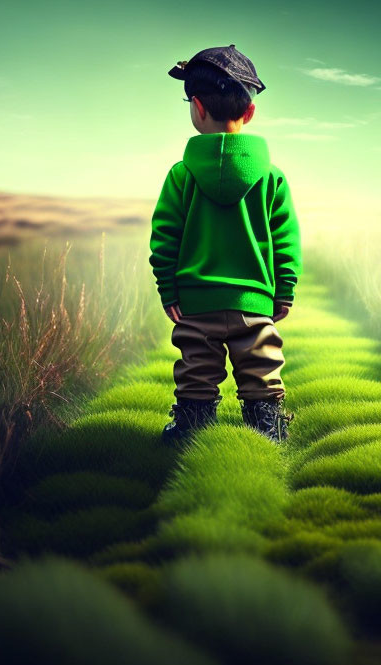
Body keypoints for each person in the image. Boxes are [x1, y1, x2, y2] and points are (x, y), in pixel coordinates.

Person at [148, 44, 301, 445]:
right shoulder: (272, 177)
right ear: (249, 112)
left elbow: (164, 236)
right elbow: (286, 238)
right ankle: (267, 428)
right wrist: (283, 289)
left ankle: (192, 428)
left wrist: (169, 289)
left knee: (196, 369)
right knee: (262, 367)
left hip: (196, 304)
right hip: (255, 301)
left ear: (197, 107)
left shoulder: (180, 176)